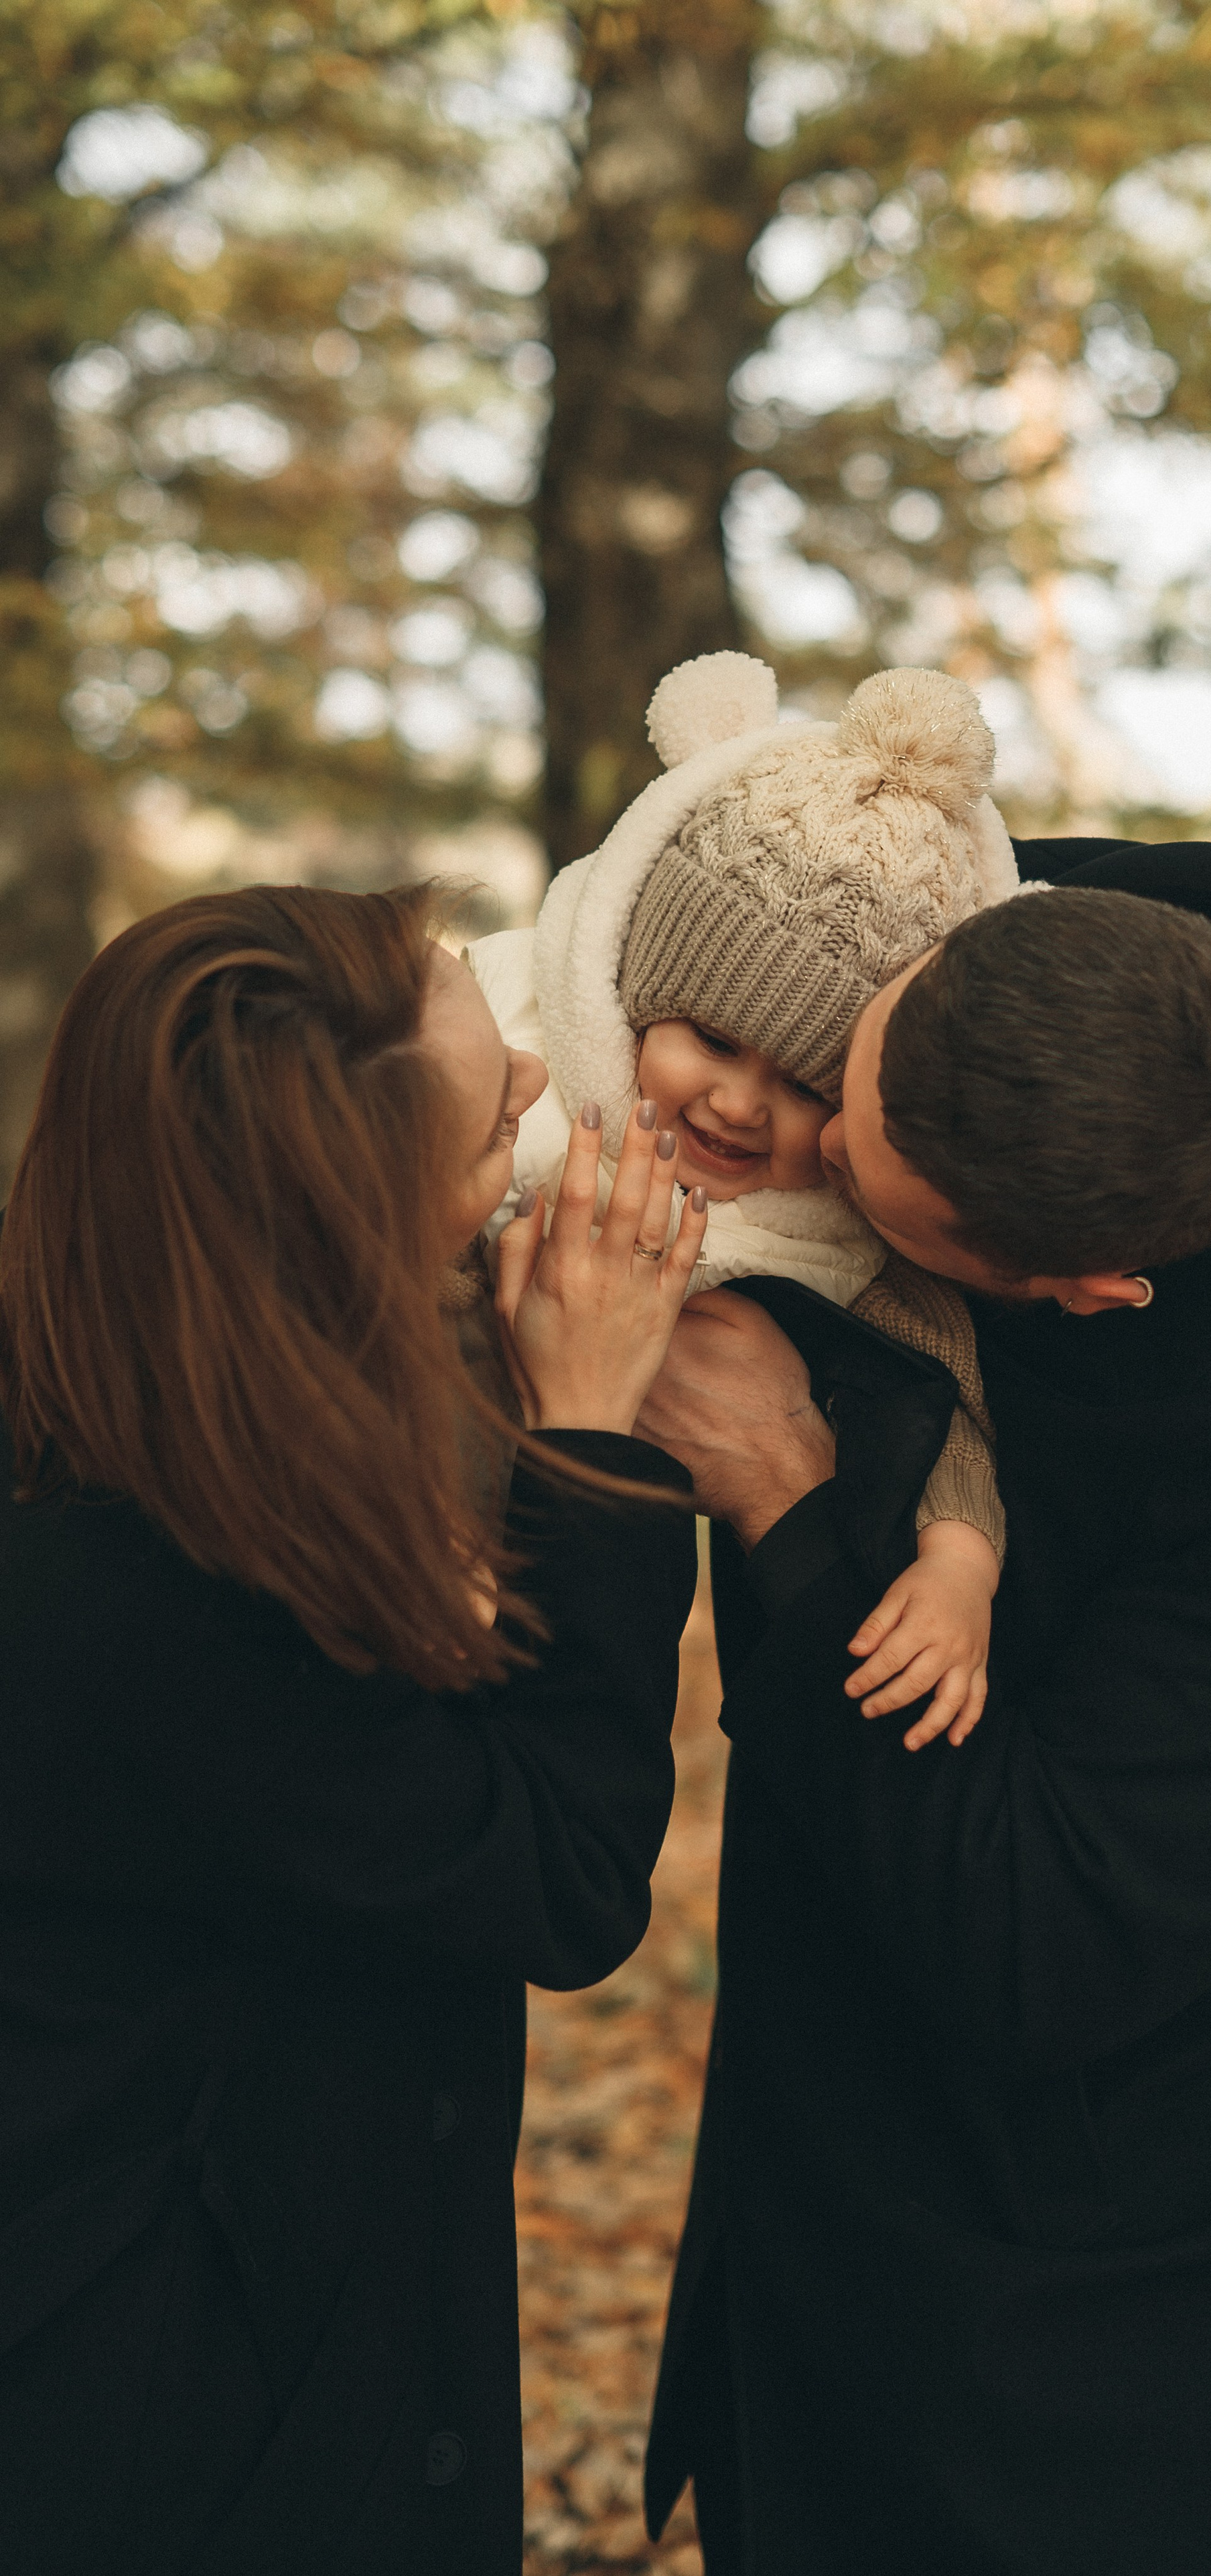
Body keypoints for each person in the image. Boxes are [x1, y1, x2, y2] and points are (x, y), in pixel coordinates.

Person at [637, 837, 1211, 2576]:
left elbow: (1044, 1941)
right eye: (851, 1078)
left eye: (869, 1185)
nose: (802, 1148)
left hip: (1084, 2335)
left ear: (1080, 1298)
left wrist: (780, 1493)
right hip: (804, 2169)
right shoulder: (990, 913)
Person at [0, 882, 710, 2576]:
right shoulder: (146, 1598)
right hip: (190, 2412)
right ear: (355, 1227)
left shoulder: (124, 1397)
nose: (537, 1086)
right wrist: (597, 1441)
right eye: (487, 1124)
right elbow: (552, 1875)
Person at [468, 649, 1025, 1750]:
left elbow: (946, 1397)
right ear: (631, 997)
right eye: (711, 1040)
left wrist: (961, 1569)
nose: (735, 1104)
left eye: (807, 1085)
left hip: (589, 1593)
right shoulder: (520, 1079)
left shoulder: (839, 1239)